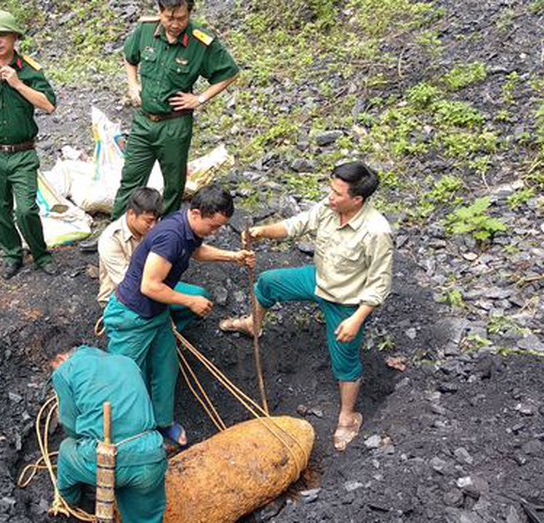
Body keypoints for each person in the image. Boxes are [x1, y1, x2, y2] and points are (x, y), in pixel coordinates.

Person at [245, 161, 393, 451]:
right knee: (267, 282)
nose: (329, 196)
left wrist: (357, 319)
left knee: (345, 360)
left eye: (337, 193)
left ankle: (348, 416)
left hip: (346, 300)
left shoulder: (376, 232)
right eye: (330, 189)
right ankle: (254, 323)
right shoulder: (328, 208)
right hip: (319, 280)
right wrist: (262, 231)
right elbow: (295, 225)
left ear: (357, 199)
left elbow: (379, 284)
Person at [103, 185, 254, 448]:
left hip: (156, 313)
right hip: (131, 316)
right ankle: (126, 438)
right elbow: (149, 285)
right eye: (213, 226)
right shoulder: (170, 236)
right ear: (195, 213)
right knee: (126, 379)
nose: (214, 232)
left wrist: (233, 257)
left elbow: (196, 250)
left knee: (165, 369)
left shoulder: (187, 227)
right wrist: (189, 300)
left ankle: (162, 425)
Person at [109, 0, 239, 221]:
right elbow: (130, 57)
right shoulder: (146, 30)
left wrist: (199, 98)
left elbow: (230, 72)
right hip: (143, 122)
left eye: (181, 18)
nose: (175, 24)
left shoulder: (200, 41)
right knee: (130, 179)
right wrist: (133, 84)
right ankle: (118, 232)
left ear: (190, 13)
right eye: (169, 18)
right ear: (160, 12)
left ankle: (165, 237)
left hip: (175, 125)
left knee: (173, 185)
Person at [0, 9, 58, 279]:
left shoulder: (28, 70)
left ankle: (40, 254)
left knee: (26, 208)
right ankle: (11, 254)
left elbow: (49, 105)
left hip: (22, 153)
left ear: (15, 37)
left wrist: (18, 85)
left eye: (2, 35)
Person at [52, 346, 167, 523]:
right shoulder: (127, 361)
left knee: (66, 448)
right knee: (145, 518)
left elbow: (72, 428)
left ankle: (69, 503)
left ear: (60, 358)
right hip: (151, 458)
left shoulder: (64, 371)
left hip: (107, 462)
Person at [98, 186, 208, 330]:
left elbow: (196, 251)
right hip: (125, 296)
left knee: (199, 296)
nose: (153, 226)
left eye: (157, 220)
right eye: (148, 221)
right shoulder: (110, 239)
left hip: (152, 284)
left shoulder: (154, 229)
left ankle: (170, 329)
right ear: (131, 214)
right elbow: (129, 284)